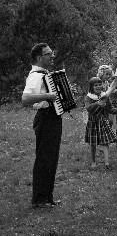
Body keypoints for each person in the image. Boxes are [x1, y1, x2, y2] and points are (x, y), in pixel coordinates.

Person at [22, 43, 62, 208]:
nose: (52, 56)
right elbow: (25, 99)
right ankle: (39, 199)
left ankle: (47, 198)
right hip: (45, 119)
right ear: (39, 57)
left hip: (52, 118)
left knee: (51, 159)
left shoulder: (45, 74)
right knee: (44, 159)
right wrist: (48, 95)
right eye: (48, 54)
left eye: (52, 53)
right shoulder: (36, 75)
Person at [84, 77, 117, 169]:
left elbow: (110, 109)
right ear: (91, 87)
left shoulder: (105, 96)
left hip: (103, 122)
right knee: (93, 143)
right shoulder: (89, 97)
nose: (98, 86)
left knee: (105, 142)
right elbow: (88, 108)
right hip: (93, 123)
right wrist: (97, 104)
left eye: (100, 84)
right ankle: (93, 162)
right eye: (96, 85)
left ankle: (107, 163)